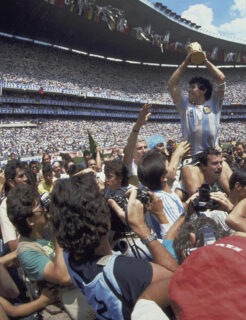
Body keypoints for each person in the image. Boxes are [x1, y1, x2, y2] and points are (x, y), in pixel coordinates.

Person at [50, 173, 178, 319]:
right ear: (104, 215)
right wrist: (142, 228)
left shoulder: (70, 257)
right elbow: (180, 281)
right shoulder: (124, 271)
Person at [167, 50, 233, 196]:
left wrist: (204, 61)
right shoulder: (184, 105)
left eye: (193, 87)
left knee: (232, 189)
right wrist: (186, 62)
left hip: (213, 156)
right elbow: (172, 84)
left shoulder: (214, 103)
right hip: (191, 157)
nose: (189, 90)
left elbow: (221, 79)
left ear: (203, 90)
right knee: (195, 194)